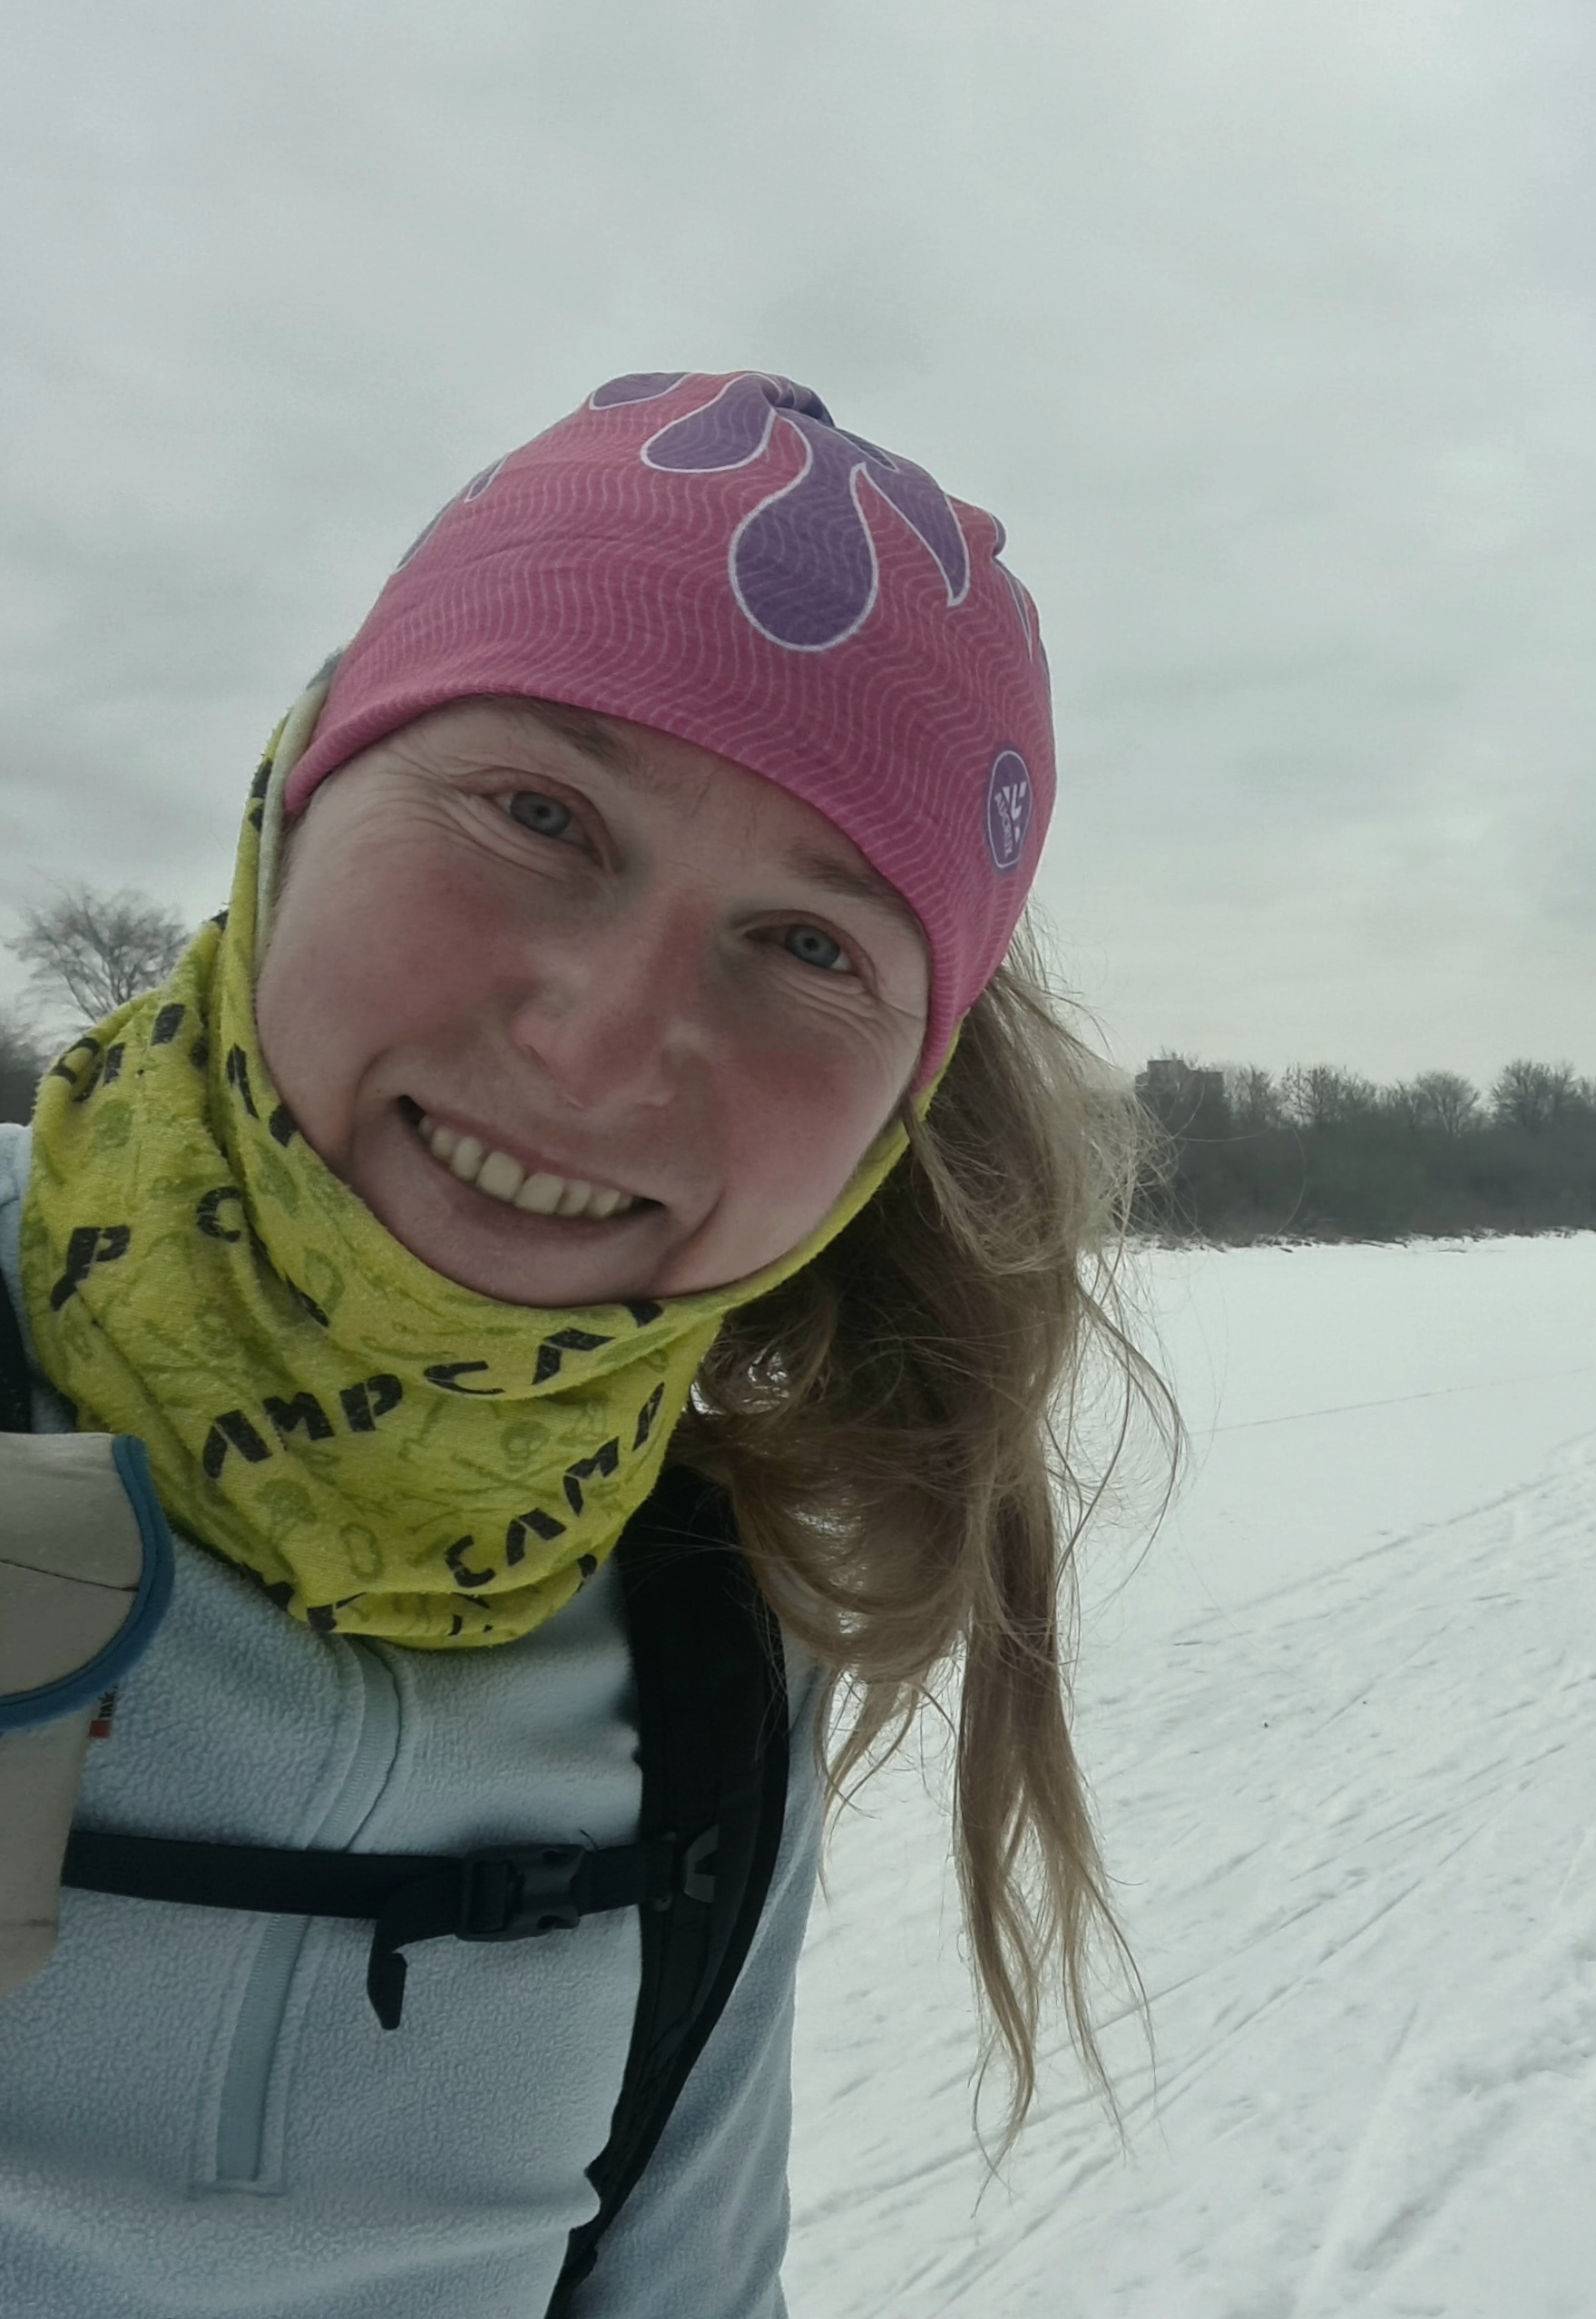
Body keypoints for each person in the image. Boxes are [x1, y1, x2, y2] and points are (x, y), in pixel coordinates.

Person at [0, 371, 1159, 2316]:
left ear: (897, 1110)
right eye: (539, 815)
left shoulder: (717, 1648)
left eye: (810, 948)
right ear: (300, 793)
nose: (603, 1045)